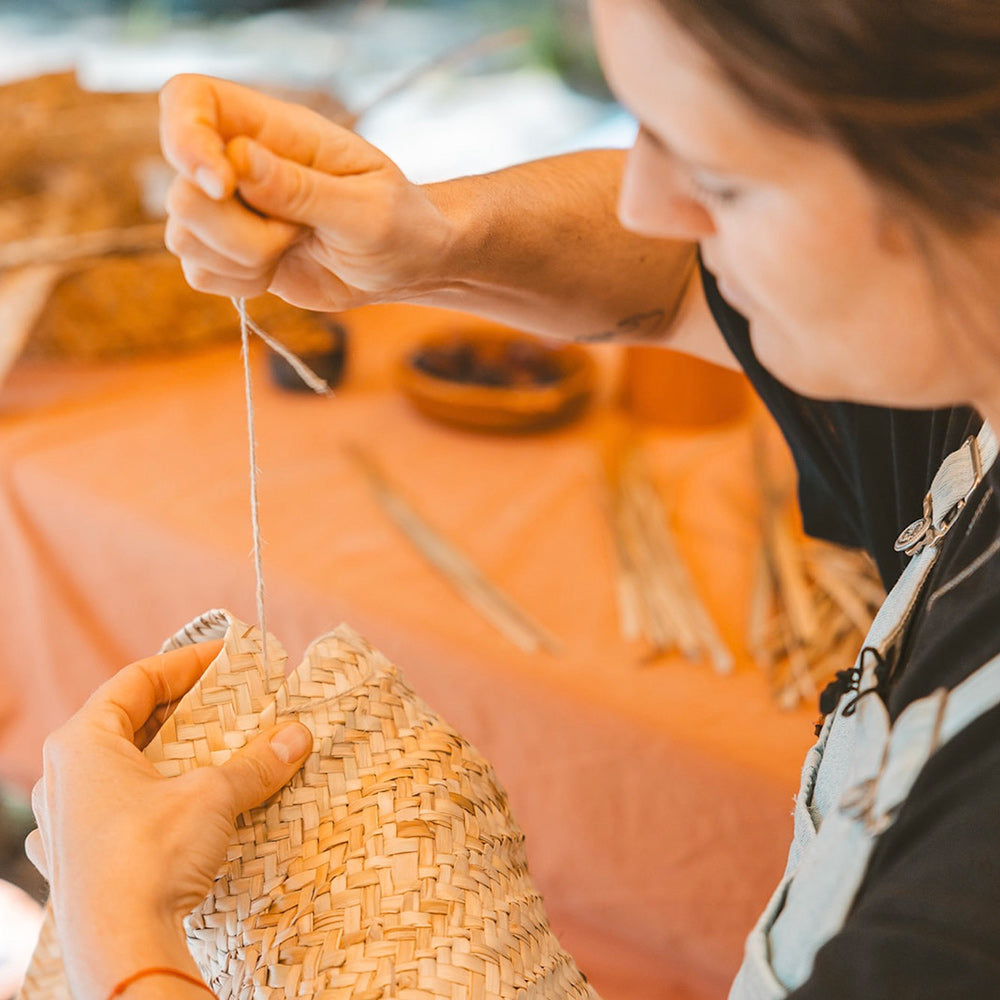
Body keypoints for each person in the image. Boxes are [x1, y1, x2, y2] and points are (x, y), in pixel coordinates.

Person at [27, 0, 1000, 996]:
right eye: (642, 132)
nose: (647, 202)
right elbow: (677, 277)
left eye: (719, 177)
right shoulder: (965, 385)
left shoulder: (967, 904)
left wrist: (120, 932)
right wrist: (425, 238)